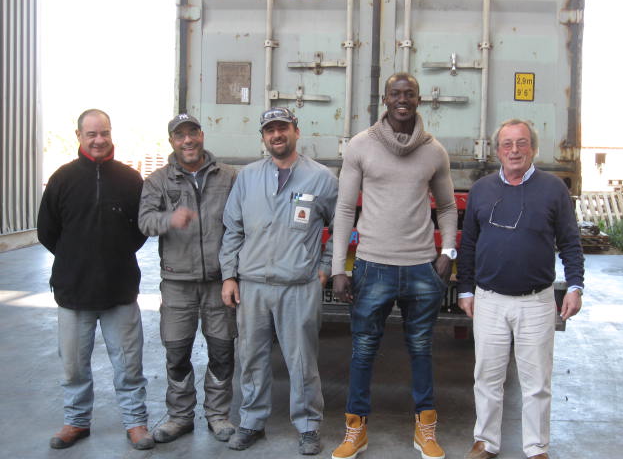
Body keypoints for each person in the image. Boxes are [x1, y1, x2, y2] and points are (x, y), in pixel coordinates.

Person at [331, 73, 457, 459]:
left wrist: (447, 252)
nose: (402, 99)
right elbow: (345, 209)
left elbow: (448, 208)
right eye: (395, 93)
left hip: (421, 268)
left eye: (409, 94)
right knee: (364, 350)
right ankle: (356, 431)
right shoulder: (360, 146)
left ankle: (425, 430)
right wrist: (339, 267)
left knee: (421, 350)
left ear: (420, 100)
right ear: (384, 99)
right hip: (372, 267)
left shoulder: (434, 151)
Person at [456, 119, 584, 459]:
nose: (515, 150)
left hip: (536, 302)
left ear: (533, 148)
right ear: (498, 150)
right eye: (508, 144)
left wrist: (574, 286)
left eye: (522, 143)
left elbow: (570, 242)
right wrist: (465, 289)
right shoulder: (481, 190)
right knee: (486, 378)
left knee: (537, 383)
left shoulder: (554, 189)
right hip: (490, 300)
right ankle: (485, 442)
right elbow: (468, 243)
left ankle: (537, 447)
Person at [219, 107, 338, 455]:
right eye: (269, 130)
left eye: (282, 128)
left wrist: (326, 266)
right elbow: (233, 229)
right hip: (252, 284)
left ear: (296, 132)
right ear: (263, 137)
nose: (276, 135)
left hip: (299, 285)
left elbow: (341, 226)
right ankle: (252, 421)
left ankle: (308, 425)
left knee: (302, 360)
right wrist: (229, 275)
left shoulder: (321, 179)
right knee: (252, 357)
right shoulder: (248, 177)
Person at [37, 109, 153, 450]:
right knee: (73, 366)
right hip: (74, 291)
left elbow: (140, 231)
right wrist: (77, 258)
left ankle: (136, 423)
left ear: (111, 133)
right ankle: (76, 421)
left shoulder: (131, 180)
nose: (98, 139)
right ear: (79, 137)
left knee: (129, 364)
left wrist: (113, 255)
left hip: (120, 290)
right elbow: (47, 231)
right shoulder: (62, 179)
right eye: (91, 134)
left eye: (103, 132)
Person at [138, 113, 238, 444]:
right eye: (180, 136)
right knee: (176, 351)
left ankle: (217, 414)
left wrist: (233, 273)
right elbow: (145, 222)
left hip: (217, 282)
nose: (188, 140)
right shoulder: (158, 181)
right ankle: (180, 416)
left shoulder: (228, 177)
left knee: (222, 350)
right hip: (178, 282)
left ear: (202, 135)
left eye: (192, 133)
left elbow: (240, 224)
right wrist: (170, 218)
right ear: (172, 142)